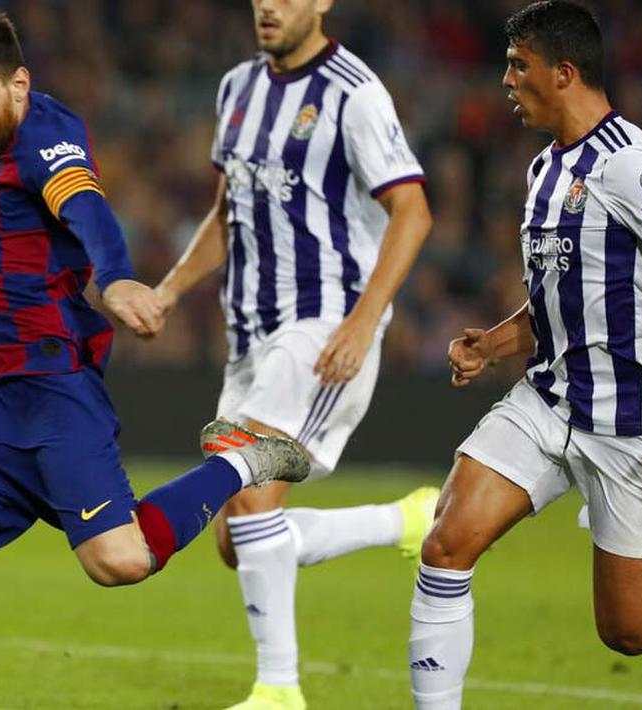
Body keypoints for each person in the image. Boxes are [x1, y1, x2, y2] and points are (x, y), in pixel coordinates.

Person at [0, 11, 310, 710]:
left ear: (18, 84)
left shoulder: (47, 142)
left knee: (120, 562)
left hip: (48, 399)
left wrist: (113, 279)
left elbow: (86, 208)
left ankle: (242, 461)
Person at [409, 2, 642, 708]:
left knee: (630, 631)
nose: (505, 80)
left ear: (563, 73)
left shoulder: (633, 163)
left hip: (628, 421)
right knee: (445, 544)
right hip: (547, 401)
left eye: (517, 65)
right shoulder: (543, 170)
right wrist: (492, 343)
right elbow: (558, 302)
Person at [155, 1, 439, 707]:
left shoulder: (353, 92)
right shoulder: (236, 87)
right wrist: (168, 291)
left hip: (322, 325)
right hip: (249, 337)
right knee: (237, 537)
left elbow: (413, 212)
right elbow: (227, 213)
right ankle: (399, 521)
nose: (269, 6)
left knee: (250, 491)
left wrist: (362, 321)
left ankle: (278, 690)